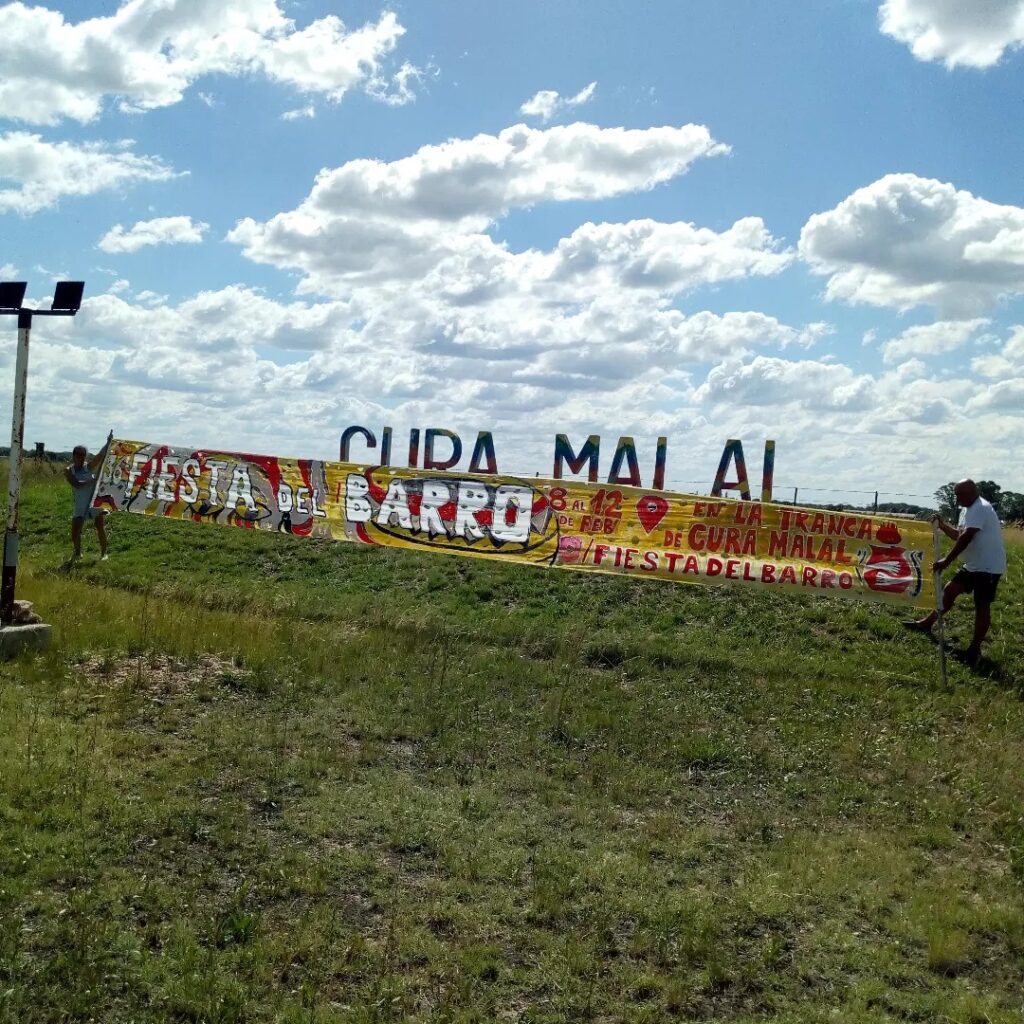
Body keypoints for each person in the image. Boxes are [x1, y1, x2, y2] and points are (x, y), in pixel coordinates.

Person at [904, 479, 1007, 665]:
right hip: (973, 565)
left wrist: (947, 561)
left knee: (982, 605)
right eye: (956, 495)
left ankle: (974, 650)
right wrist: (943, 526)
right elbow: (959, 535)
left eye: (960, 495)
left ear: (972, 492)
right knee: (950, 590)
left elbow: (967, 537)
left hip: (988, 567)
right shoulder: (967, 510)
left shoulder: (980, 508)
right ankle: (927, 623)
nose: (957, 499)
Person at [65, 431, 113, 561]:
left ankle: (104, 553)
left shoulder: (89, 467)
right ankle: (77, 554)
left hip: (93, 503)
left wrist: (108, 443)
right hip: (80, 504)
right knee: (75, 531)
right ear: (73, 455)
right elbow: (76, 484)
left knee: (99, 527)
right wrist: (92, 481)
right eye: (77, 454)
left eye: (82, 455)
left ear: (85, 456)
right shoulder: (69, 470)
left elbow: (100, 456)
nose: (80, 457)